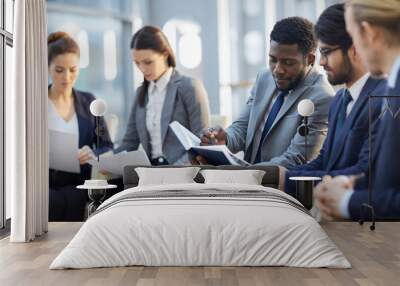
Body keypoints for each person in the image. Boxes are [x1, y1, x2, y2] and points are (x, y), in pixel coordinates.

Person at [199, 17, 333, 168]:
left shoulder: (322, 98)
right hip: (249, 183)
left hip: (283, 188)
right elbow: (242, 128)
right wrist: (224, 139)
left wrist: (246, 173)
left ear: (310, 59)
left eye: (288, 63)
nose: (278, 70)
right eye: (273, 60)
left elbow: (296, 159)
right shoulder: (265, 78)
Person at [283, 4, 386, 196]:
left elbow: (364, 173)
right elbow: (325, 160)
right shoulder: (339, 99)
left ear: (354, 48)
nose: (321, 62)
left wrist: (287, 180)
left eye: (327, 52)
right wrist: (286, 176)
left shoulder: (383, 99)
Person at [315, 0, 400, 220]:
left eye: (353, 36)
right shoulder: (393, 85)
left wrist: (346, 202)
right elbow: (389, 175)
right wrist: (349, 183)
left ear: (368, 32)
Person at [115, 25, 210, 165]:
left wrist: (172, 171)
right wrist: (104, 160)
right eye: (137, 63)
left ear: (165, 54)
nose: (142, 69)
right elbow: (129, 143)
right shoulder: (141, 92)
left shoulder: (189, 86)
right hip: (150, 170)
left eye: (148, 62)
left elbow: (201, 142)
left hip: (182, 171)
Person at [48, 32, 113, 221]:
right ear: (48, 67)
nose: (67, 77)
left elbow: (107, 146)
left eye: (73, 69)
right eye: (59, 70)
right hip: (46, 186)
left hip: (79, 185)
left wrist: (92, 155)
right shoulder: (36, 103)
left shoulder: (89, 102)